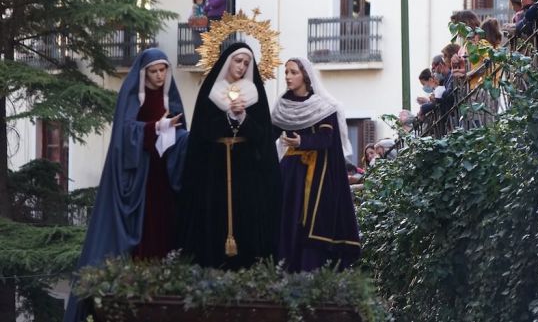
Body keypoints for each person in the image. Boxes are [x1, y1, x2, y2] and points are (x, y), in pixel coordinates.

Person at [64, 48, 189, 322]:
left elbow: (180, 134)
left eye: (162, 70)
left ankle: (164, 289)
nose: (158, 76)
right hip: (140, 180)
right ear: (144, 73)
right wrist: (155, 127)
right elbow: (124, 134)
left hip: (164, 176)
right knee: (143, 231)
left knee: (164, 228)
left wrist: (179, 136)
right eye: (153, 71)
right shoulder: (133, 97)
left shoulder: (172, 99)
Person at [177, 42, 282, 271]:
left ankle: (248, 270)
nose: (242, 66)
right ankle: (212, 270)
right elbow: (201, 132)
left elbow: (263, 136)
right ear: (227, 62)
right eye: (238, 61)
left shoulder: (254, 93)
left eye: (246, 63)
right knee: (215, 217)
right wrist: (227, 118)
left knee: (246, 218)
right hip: (214, 168)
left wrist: (242, 116)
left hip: (246, 170)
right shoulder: (211, 91)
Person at [271, 57, 361, 272]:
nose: (288, 77)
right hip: (290, 173)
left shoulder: (322, 107)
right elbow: (268, 135)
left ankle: (310, 272)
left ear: (305, 76)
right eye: (286, 72)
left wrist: (303, 141)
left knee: (310, 223)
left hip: (316, 175)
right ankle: (284, 269)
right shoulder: (283, 105)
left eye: (293, 72)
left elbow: (327, 139)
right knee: (286, 220)